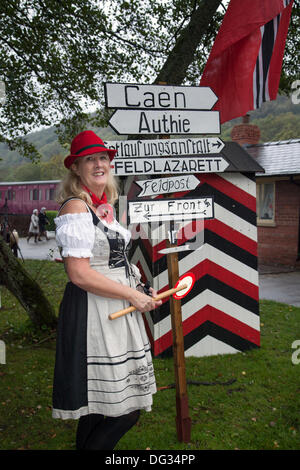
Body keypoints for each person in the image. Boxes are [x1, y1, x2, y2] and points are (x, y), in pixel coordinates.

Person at [52, 130, 162, 451]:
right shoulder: (76, 208)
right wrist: (130, 294)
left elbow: (112, 263)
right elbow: (79, 273)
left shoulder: (103, 208)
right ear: (76, 168)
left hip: (114, 312)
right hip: (94, 314)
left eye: (103, 158)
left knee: (99, 408)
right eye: (90, 159)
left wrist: (139, 286)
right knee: (126, 411)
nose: (99, 164)